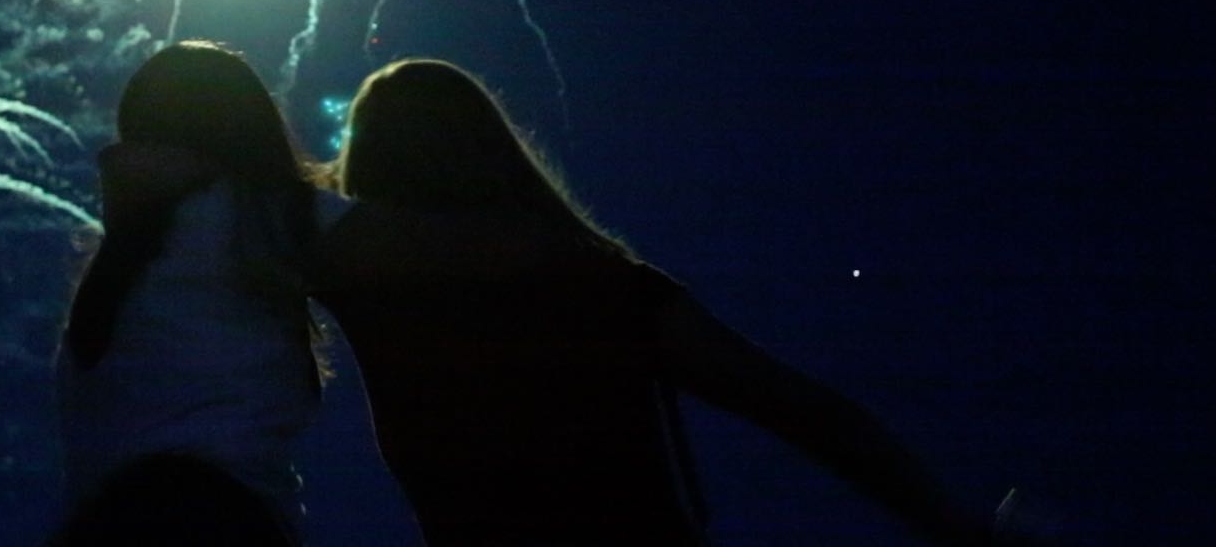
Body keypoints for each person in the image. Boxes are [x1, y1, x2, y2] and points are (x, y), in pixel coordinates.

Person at [307, 58, 1008, 546]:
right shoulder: (601, 284)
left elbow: (261, 198)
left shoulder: (374, 283)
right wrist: (947, 520)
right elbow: (806, 410)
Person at [53, 41, 350, 545]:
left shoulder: (116, 271)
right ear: (249, 124)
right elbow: (443, 252)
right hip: (219, 520)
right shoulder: (261, 217)